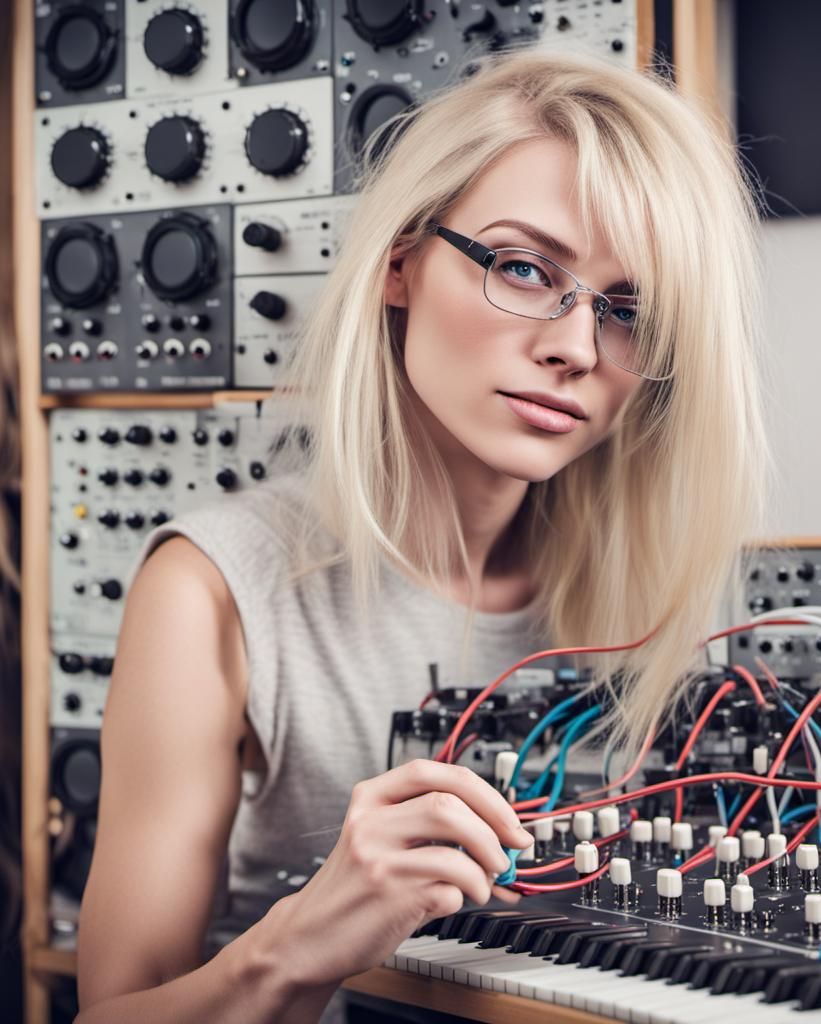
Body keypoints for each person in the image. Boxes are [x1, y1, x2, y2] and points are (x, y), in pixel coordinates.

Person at [75, 47, 769, 1023]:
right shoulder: (212, 591)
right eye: (526, 269)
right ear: (400, 264)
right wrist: (300, 943)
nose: (574, 347)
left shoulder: (646, 591)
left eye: (628, 311)